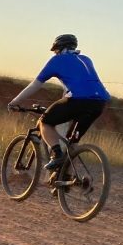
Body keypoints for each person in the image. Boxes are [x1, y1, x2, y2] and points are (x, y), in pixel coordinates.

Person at [7, 34, 110, 170]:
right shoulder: (86, 59)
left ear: (59, 48)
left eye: (55, 50)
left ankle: (56, 155)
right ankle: (66, 178)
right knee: (73, 142)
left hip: (78, 100)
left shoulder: (57, 60)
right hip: (99, 103)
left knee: (45, 122)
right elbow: (77, 83)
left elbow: (35, 85)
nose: (55, 52)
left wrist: (15, 101)